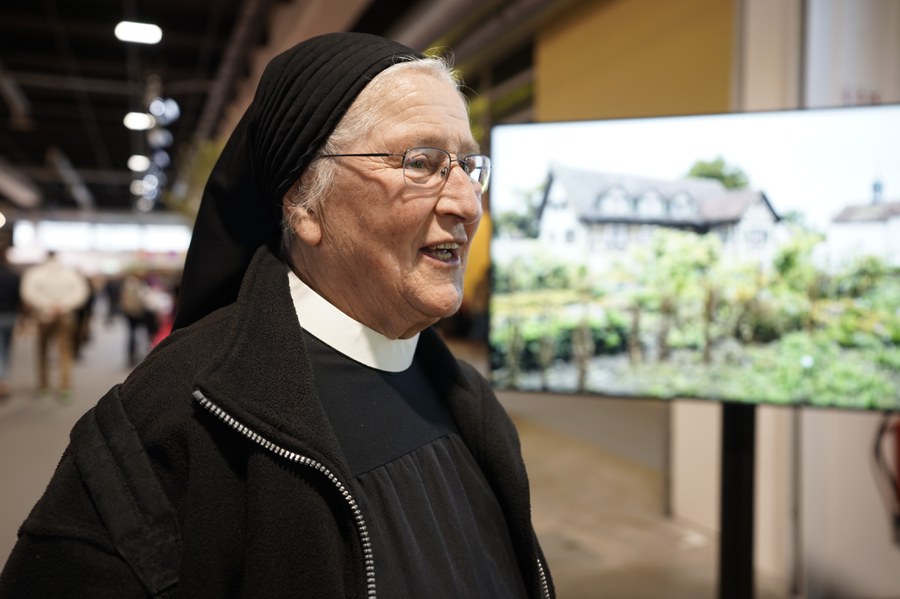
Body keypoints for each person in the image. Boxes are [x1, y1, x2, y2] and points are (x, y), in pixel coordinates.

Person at [0, 32, 554, 598]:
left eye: (467, 165)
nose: (466, 203)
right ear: (303, 203)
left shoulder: (469, 400)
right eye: (421, 163)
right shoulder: (174, 420)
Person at [17, 250, 89, 399]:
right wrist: (63, 306)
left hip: (43, 316)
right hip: (66, 316)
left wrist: (47, 306)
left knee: (42, 351)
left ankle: (44, 385)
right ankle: (65, 386)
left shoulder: (34, 273)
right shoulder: (71, 274)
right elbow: (81, 293)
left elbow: (28, 293)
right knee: (65, 352)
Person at [0, 248, 21, 398]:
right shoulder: (14, 276)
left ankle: (3, 383)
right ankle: (4, 380)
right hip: (10, 316)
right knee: (6, 349)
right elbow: (19, 299)